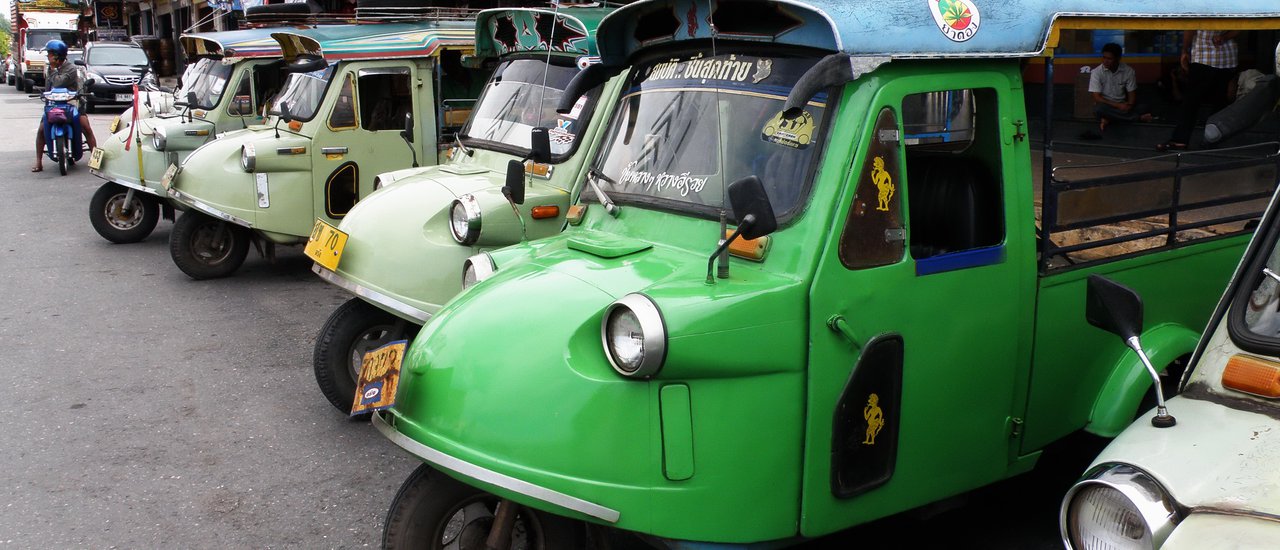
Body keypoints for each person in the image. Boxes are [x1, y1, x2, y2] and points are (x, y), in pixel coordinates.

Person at [1158, 30, 1239, 151]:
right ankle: (1215, 139)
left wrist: (1184, 50)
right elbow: (1239, 28)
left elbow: (1190, 27)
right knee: (1220, 100)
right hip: (1227, 58)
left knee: (1191, 101)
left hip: (1203, 57)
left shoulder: (1200, 10)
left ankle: (1180, 140)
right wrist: (1224, 36)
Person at [33, 39, 97, 172]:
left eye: (50, 53)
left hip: (72, 103)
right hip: (54, 104)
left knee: (86, 127)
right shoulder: (50, 68)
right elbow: (48, 87)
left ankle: (96, 159)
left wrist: (52, 70)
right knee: (41, 130)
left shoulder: (71, 69)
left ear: (56, 55)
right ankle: (38, 161)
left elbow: (58, 83)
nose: (48, 56)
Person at [1088, 42, 1152, 134]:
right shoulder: (1096, 72)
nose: (1105, 61)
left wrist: (1128, 106)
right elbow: (1097, 98)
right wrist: (1117, 105)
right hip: (1107, 106)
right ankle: (1137, 118)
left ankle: (1109, 119)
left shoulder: (1128, 71)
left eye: (1109, 59)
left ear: (1118, 58)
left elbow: (1132, 95)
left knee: (1144, 107)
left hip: (1123, 105)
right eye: (1104, 57)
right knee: (1098, 109)